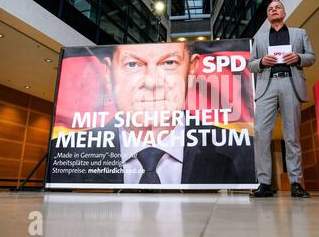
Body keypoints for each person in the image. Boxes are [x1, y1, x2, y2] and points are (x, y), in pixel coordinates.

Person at [49, 42, 255, 185]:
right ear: (108, 74)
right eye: (132, 65)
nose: (152, 82)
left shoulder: (236, 151)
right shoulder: (66, 153)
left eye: (169, 63)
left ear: (191, 70)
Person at [247, 0, 315, 198]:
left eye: (277, 7)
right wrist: (261, 61)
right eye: (270, 9)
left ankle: (295, 183)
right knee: (261, 134)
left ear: (284, 12)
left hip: (290, 83)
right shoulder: (259, 38)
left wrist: (299, 58)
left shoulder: (299, 33)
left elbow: (311, 57)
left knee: (292, 134)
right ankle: (265, 183)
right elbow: (251, 65)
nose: (273, 10)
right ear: (267, 16)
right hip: (267, 85)